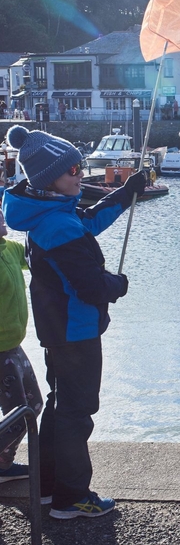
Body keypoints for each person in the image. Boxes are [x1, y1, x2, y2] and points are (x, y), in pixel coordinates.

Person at [2, 125, 146, 519]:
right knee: (77, 412)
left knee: (59, 403)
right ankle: (71, 496)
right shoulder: (58, 225)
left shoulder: (50, 212)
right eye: (74, 171)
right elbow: (90, 286)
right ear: (51, 178)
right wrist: (118, 285)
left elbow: (90, 221)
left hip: (58, 331)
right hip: (75, 332)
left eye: (81, 167)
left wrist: (127, 192)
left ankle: (47, 487)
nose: (81, 175)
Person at [0, 208, 44, 483]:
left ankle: (3, 465)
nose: (2, 218)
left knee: (34, 404)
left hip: (14, 347)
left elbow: (36, 255)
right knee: (17, 415)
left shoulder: (10, 249)